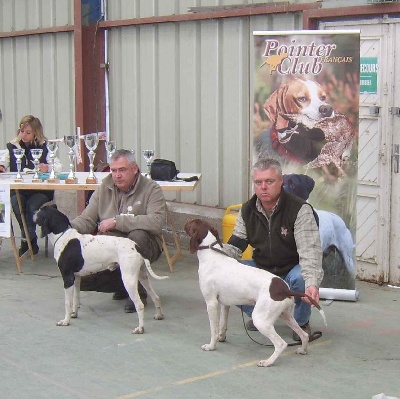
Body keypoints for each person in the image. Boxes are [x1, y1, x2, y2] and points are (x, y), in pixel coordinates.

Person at [225, 158, 324, 341]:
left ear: (281, 182)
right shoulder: (247, 210)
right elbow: (234, 246)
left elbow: (309, 252)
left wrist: (312, 284)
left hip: (291, 269)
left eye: (269, 182)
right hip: (262, 269)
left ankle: (301, 323)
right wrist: (210, 253)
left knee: (302, 277)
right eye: (258, 182)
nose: (263, 187)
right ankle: (261, 315)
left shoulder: (300, 209)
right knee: (230, 274)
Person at [70, 149, 166, 313]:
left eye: (122, 170)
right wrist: (66, 229)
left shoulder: (152, 188)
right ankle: (124, 283)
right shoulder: (103, 188)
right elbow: (87, 220)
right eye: (113, 170)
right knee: (82, 280)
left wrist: (117, 221)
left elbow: (157, 222)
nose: (117, 175)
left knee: (137, 236)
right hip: (111, 249)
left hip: (145, 245)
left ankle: (136, 291)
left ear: (134, 169)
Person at [0, 115, 62, 256]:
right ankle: (29, 238)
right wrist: (2, 166)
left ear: (36, 133)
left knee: (31, 206)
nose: (24, 135)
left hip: (39, 190)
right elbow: (4, 161)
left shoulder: (44, 146)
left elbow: (58, 166)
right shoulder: (12, 146)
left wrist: (47, 167)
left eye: (28, 132)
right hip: (19, 189)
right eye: (22, 131)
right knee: (17, 204)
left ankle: (28, 240)